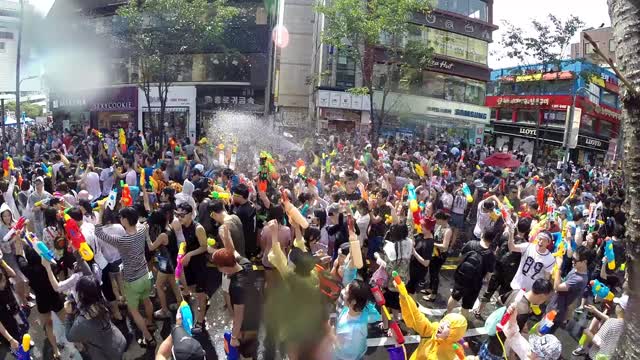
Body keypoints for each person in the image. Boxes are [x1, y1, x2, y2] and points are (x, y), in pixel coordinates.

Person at [94, 207, 156, 348]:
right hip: (146, 274)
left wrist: (101, 212)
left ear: (126, 220)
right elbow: (143, 223)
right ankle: (150, 323)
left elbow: (98, 232)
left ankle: (148, 337)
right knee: (147, 301)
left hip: (132, 280)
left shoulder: (122, 240)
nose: (120, 220)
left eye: (122, 217)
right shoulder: (142, 230)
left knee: (134, 311)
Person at [15, 231, 64, 359]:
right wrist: (32, 239)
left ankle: (56, 350)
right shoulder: (50, 264)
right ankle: (79, 343)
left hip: (42, 301)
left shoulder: (28, 270)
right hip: (55, 296)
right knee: (66, 320)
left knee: (48, 324)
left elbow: (19, 256)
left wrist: (18, 241)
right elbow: (42, 250)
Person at [212, 248, 260, 359]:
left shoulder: (237, 287)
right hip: (256, 312)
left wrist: (233, 337)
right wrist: (226, 237)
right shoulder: (247, 264)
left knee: (245, 352)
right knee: (252, 346)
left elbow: (239, 316)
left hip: (247, 323)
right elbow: (234, 251)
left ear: (224, 267)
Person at [64, 276, 127, 360]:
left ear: (81, 295)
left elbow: (69, 337)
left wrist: (69, 315)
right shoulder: (103, 304)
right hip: (119, 341)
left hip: (106, 355)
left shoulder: (82, 321)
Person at [172, 203, 208, 333]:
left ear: (190, 214)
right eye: (177, 214)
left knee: (199, 294)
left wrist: (189, 254)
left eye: (182, 215)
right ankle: (203, 300)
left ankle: (200, 320)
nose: (179, 217)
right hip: (188, 264)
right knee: (192, 289)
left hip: (199, 264)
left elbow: (204, 247)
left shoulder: (198, 228)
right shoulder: (181, 226)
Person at [447, 226, 497, 319]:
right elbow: (488, 275)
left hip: (462, 277)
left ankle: (447, 315)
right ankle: (461, 324)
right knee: (466, 306)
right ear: (492, 240)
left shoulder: (471, 243)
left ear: (482, 234)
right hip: (475, 283)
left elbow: (461, 256)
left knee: (454, 297)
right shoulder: (491, 255)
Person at [544, 245, 589, 334]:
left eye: (575, 260)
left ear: (584, 262)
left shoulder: (579, 279)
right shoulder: (576, 269)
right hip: (554, 305)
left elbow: (557, 287)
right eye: (573, 258)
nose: (573, 262)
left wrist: (558, 268)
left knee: (543, 333)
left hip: (556, 311)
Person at [572, 294, 626, 358]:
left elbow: (599, 342)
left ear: (620, 308)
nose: (616, 306)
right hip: (606, 356)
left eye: (617, 305)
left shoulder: (612, 322)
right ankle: (582, 348)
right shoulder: (625, 325)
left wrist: (588, 333)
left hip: (595, 356)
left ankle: (583, 348)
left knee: (590, 330)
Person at [333, 279, 370, 360]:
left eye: (345, 292)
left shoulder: (354, 331)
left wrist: (332, 338)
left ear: (353, 301)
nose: (342, 292)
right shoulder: (356, 310)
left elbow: (351, 354)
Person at [424, 211, 452, 301]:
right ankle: (430, 288)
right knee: (431, 272)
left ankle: (433, 294)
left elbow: (444, 246)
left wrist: (433, 243)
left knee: (435, 274)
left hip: (440, 256)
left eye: (436, 219)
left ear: (441, 219)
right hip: (434, 253)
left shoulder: (448, 230)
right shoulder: (439, 226)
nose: (435, 221)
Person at [232, 183, 257, 259]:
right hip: (251, 240)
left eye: (234, 195)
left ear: (240, 197)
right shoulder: (251, 204)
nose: (232, 196)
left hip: (244, 243)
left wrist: (231, 206)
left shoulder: (241, 211)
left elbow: (235, 226)